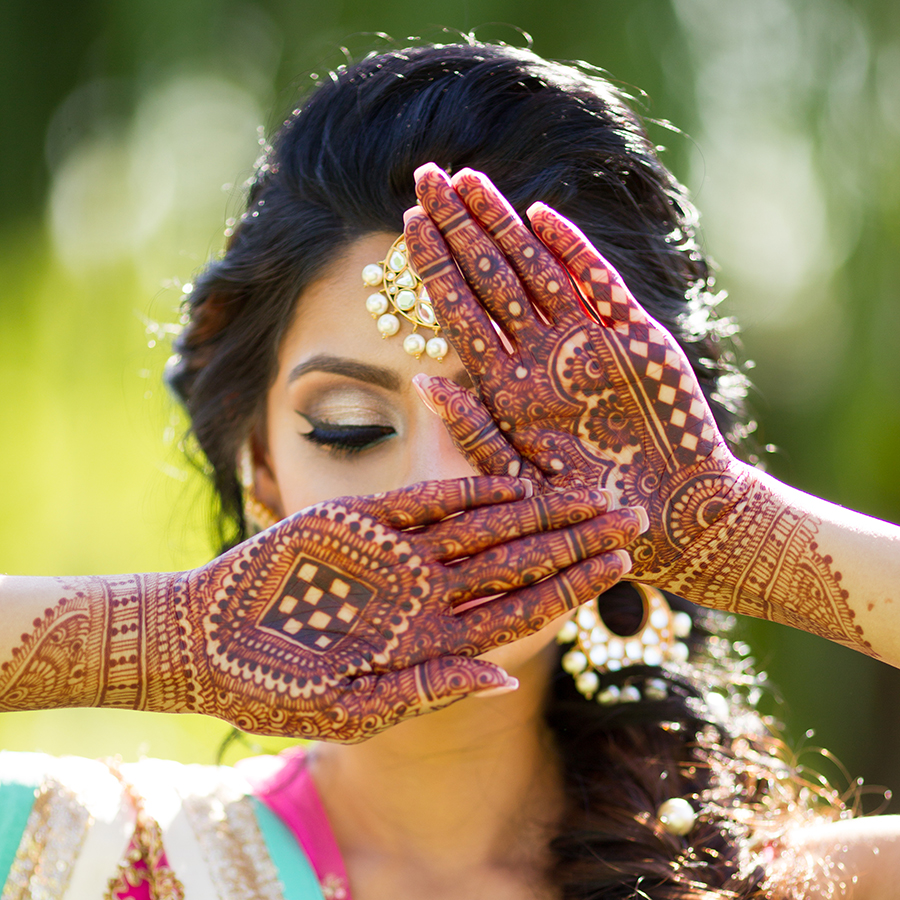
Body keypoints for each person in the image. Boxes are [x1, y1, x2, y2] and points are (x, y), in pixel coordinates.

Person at [2, 40, 900, 899]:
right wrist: (152, 637)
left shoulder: (811, 887)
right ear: (262, 467)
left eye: (509, 429)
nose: (436, 488)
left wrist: (739, 530)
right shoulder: (68, 857)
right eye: (350, 429)